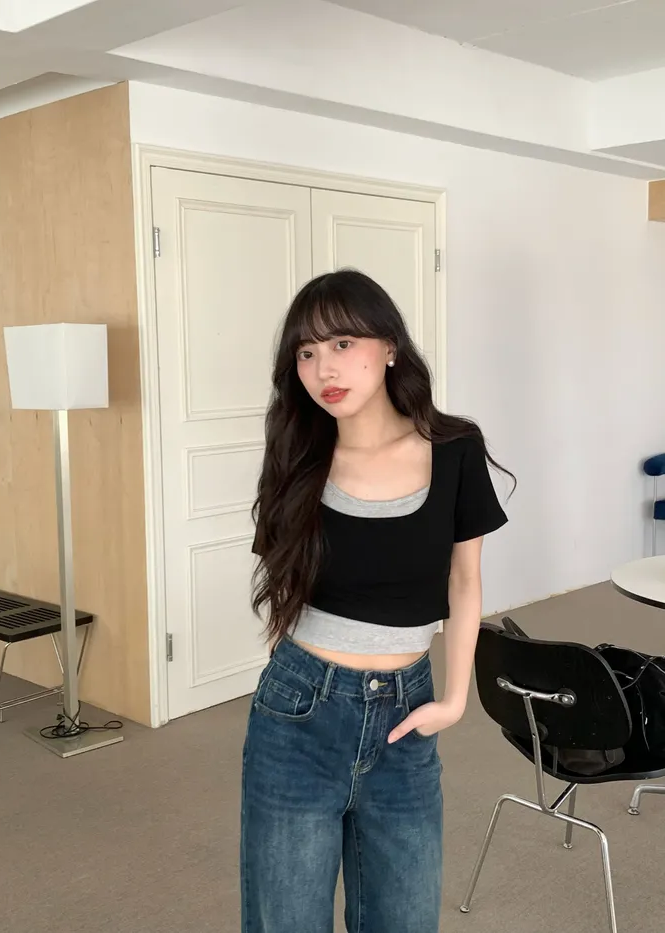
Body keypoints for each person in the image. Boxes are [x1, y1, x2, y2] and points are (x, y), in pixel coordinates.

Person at [242, 269, 514, 933]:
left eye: (342, 344)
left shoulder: (455, 450)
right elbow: (282, 574)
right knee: (286, 920)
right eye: (306, 353)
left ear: (389, 346)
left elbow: (465, 581)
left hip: (405, 713)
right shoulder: (299, 453)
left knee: (405, 918)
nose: (323, 369)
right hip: (299, 712)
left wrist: (455, 699)